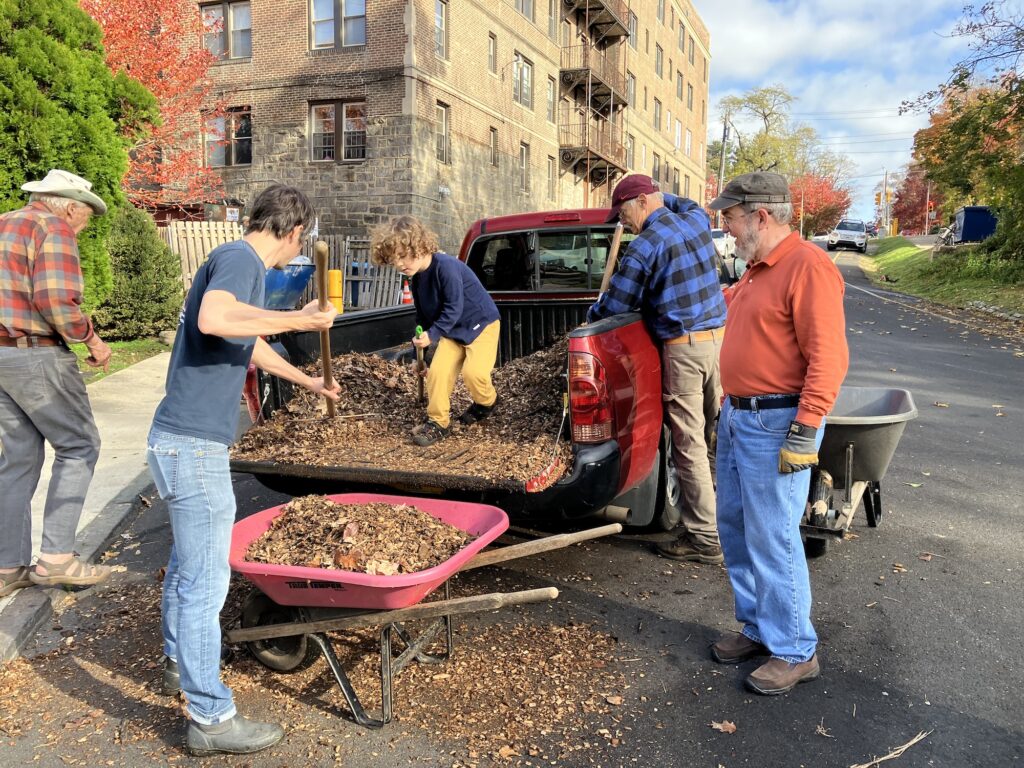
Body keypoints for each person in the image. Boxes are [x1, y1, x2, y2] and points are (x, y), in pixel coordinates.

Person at [146, 184, 340, 756]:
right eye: (299, 242)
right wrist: (299, 318)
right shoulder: (241, 259)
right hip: (194, 446)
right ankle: (211, 719)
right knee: (205, 585)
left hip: (179, 440)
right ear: (294, 231)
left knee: (187, 570)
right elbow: (215, 318)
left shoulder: (233, 261)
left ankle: (181, 666)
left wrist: (307, 381)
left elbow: (244, 340)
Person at [707, 172, 849, 695]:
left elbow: (828, 357)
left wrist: (805, 428)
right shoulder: (754, 271)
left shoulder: (807, 265)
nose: (727, 227)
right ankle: (759, 628)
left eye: (731, 218)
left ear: (760, 217)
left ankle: (794, 649)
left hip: (777, 422)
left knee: (772, 535)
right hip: (740, 416)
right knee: (737, 529)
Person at [588, 175, 727, 563]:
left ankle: (704, 539)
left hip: (683, 350)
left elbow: (614, 307)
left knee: (688, 444)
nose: (623, 223)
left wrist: (586, 321)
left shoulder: (644, 248)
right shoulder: (695, 220)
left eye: (623, 213)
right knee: (714, 431)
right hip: (718, 344)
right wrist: (657, 196)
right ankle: (718, 520)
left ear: (641, 203)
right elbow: (682, 202)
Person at [0, 169, 113, 598]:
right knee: (79, 446)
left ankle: (7, 567)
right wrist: (91, 338)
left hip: (0, 356)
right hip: (35, 354)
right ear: (70, 206)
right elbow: (54, 299)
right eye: (84, 220)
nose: (81, 230)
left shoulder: (4, 222)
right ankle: (56, 560)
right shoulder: (54, 228)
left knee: (17, 458)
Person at [370, 215, 500, 447]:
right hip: (452, 330)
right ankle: (438, 422)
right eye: (393, 260)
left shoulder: (446, 267)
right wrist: (416, 356)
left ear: (419, 246)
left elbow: (454, 307)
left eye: (402, 255)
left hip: (480, 324)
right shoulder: (417, 279)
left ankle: (487, 402)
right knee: (438, 374)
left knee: (474, 374)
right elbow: (422, 318)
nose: (399, 265)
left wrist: (433, 335)